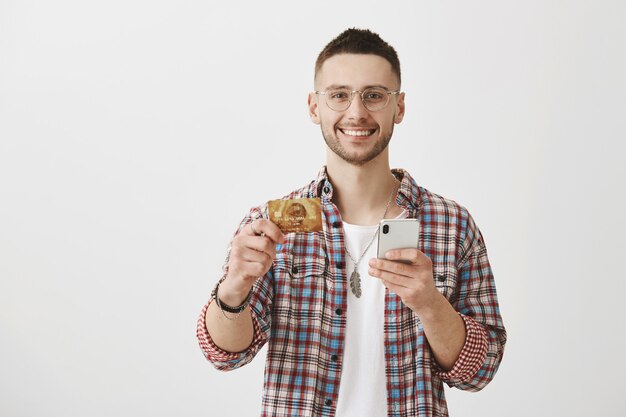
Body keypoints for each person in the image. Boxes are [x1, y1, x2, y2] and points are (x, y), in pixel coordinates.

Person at [197, 28, 507, 417]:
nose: (357, 112)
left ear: (400, 107)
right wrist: (234, 287)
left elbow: (479, 371)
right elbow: (225, 354)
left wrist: (430, 304)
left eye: (374, 95)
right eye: (339, 95)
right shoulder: (268, 227)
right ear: (314, 107)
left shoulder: (450, 224)